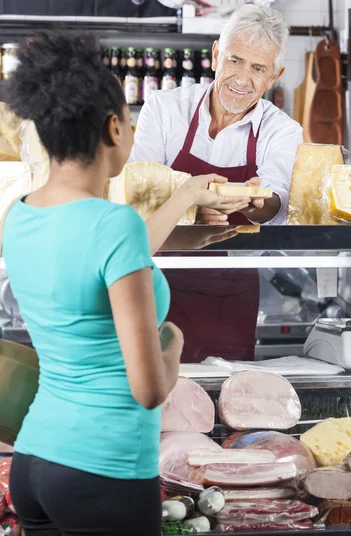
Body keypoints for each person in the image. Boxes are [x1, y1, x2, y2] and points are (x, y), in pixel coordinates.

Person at [1, 31, 242, 536]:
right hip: (104, 470)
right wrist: (172, 342)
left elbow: (111, 251)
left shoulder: (20, 217)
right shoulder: (113, 226)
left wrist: (185, 197)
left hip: (35, 463)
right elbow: (150, 390)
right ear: (115, 128)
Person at [132, 4, 303, 363]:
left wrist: (258, 202)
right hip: (156, 278)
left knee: (226, 395)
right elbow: (138, 191)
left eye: (258, 69)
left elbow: (279, 202)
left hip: (231, 288)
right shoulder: (164, 108)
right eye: (235, 60)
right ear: (215, 55)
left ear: (275, 75)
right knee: (151, 391)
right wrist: (191, 207)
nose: (242, 79)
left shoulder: (282, 130)